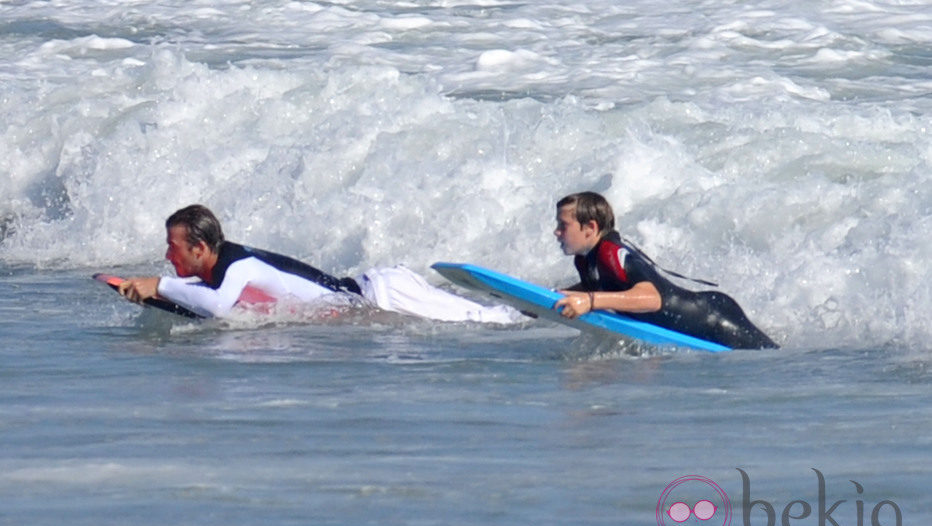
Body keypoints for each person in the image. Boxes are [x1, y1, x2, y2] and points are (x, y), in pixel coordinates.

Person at [117, 204, 519, 323]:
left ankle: (539, 312)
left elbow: (219, 306)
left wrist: (162, 285)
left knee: (490, 321)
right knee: (478, 316)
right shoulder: (217, 272)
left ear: (201, 248)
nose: (169, 257)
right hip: (375, 300)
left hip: (384, 293)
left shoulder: (239, 266)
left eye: (174, 248)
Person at [551, 192, 777, 349]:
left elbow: (652, 298)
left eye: (563, 225)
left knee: (771, 363)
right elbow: (604, 285)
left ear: (590, 228)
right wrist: (556, 296)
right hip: (702, 318)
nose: (556, 232)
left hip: (714, 319)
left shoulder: (611, 254)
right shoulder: (586, 260)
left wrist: (589, 301)